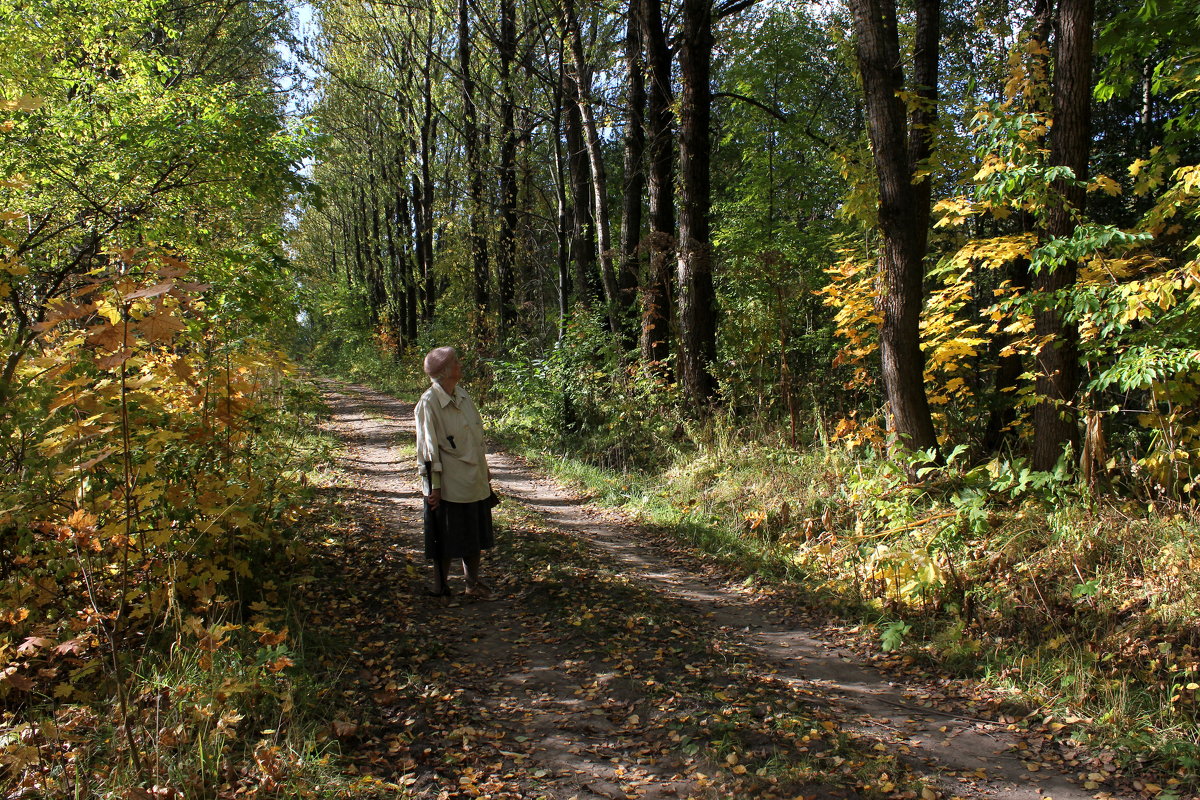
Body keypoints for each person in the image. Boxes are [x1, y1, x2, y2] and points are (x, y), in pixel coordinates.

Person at [414, 346, 495, 598]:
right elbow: (427, 450)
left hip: (473, 478)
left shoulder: (462, 395)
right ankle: (441, 586)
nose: (460, 365)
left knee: (474, 533)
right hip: (448, 484)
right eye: (456, 362)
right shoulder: (428, 403)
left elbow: (475, 436)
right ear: (445, 371)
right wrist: (433, 486)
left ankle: (472, 584)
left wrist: (486, 470)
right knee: (444, 535)